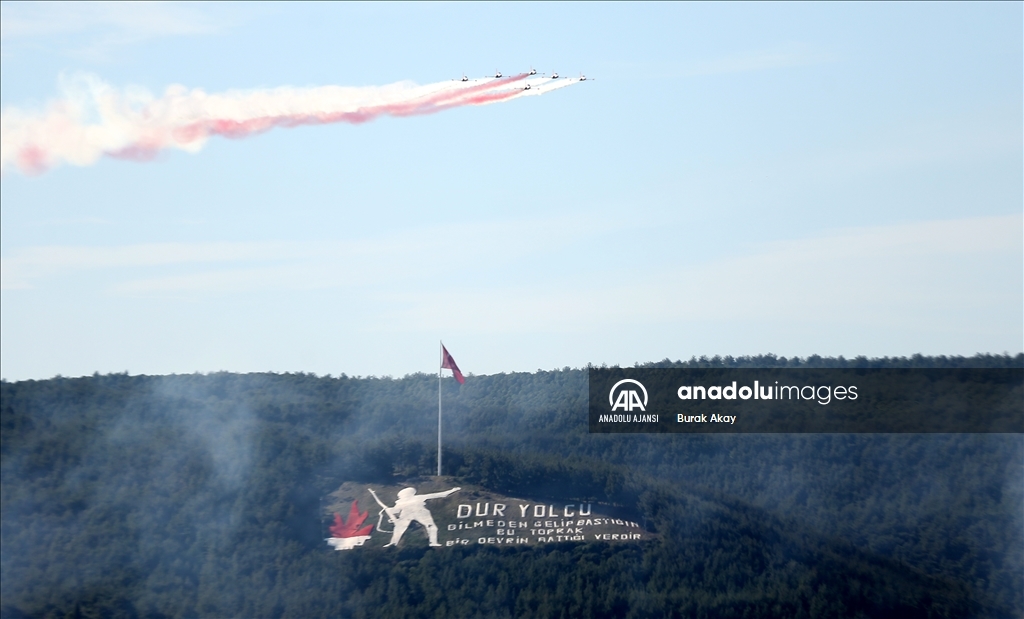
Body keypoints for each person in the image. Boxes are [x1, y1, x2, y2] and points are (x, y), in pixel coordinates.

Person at [371, 486, 460, 547]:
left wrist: (452, 491)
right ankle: (393, 543)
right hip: (410, 514)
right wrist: (390, 511)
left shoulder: (411, 499)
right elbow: (396, 511)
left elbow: (439, 494)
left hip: (419, 512)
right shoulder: (402, 502)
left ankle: (433, 542)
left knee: (431, 527)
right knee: (399, 529)